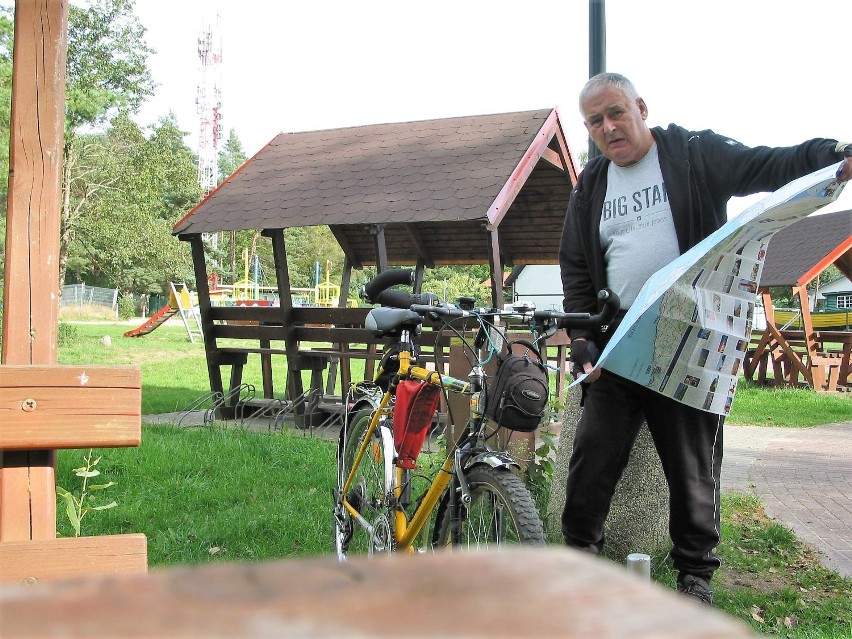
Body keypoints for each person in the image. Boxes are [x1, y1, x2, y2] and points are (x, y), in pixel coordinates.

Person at [558, 72, 852, 604]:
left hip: (690, 341)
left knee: (695, 471)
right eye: (594, 121)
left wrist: (834, 155)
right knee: (590, 463)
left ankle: (694, 579)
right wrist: (583, 340)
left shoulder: (693, 153)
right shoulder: (590, 186)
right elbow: (576, 269)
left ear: (641, 107)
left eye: (616, 113)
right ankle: (581, 565)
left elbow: (768, 163)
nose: (608, 127)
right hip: (619, 342)